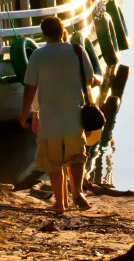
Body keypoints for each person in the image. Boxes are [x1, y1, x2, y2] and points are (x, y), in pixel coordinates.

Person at [19, 16, 95, 213]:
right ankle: (77, 192)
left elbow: (30, 88)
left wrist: (27, 113)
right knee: (76, 157)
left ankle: (60, 203)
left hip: (50, 120)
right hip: (74, 117)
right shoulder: (78, 51)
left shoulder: (38, 55)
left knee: (54, 162)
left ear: (44, 34)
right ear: (62, 31)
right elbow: (90, 79)